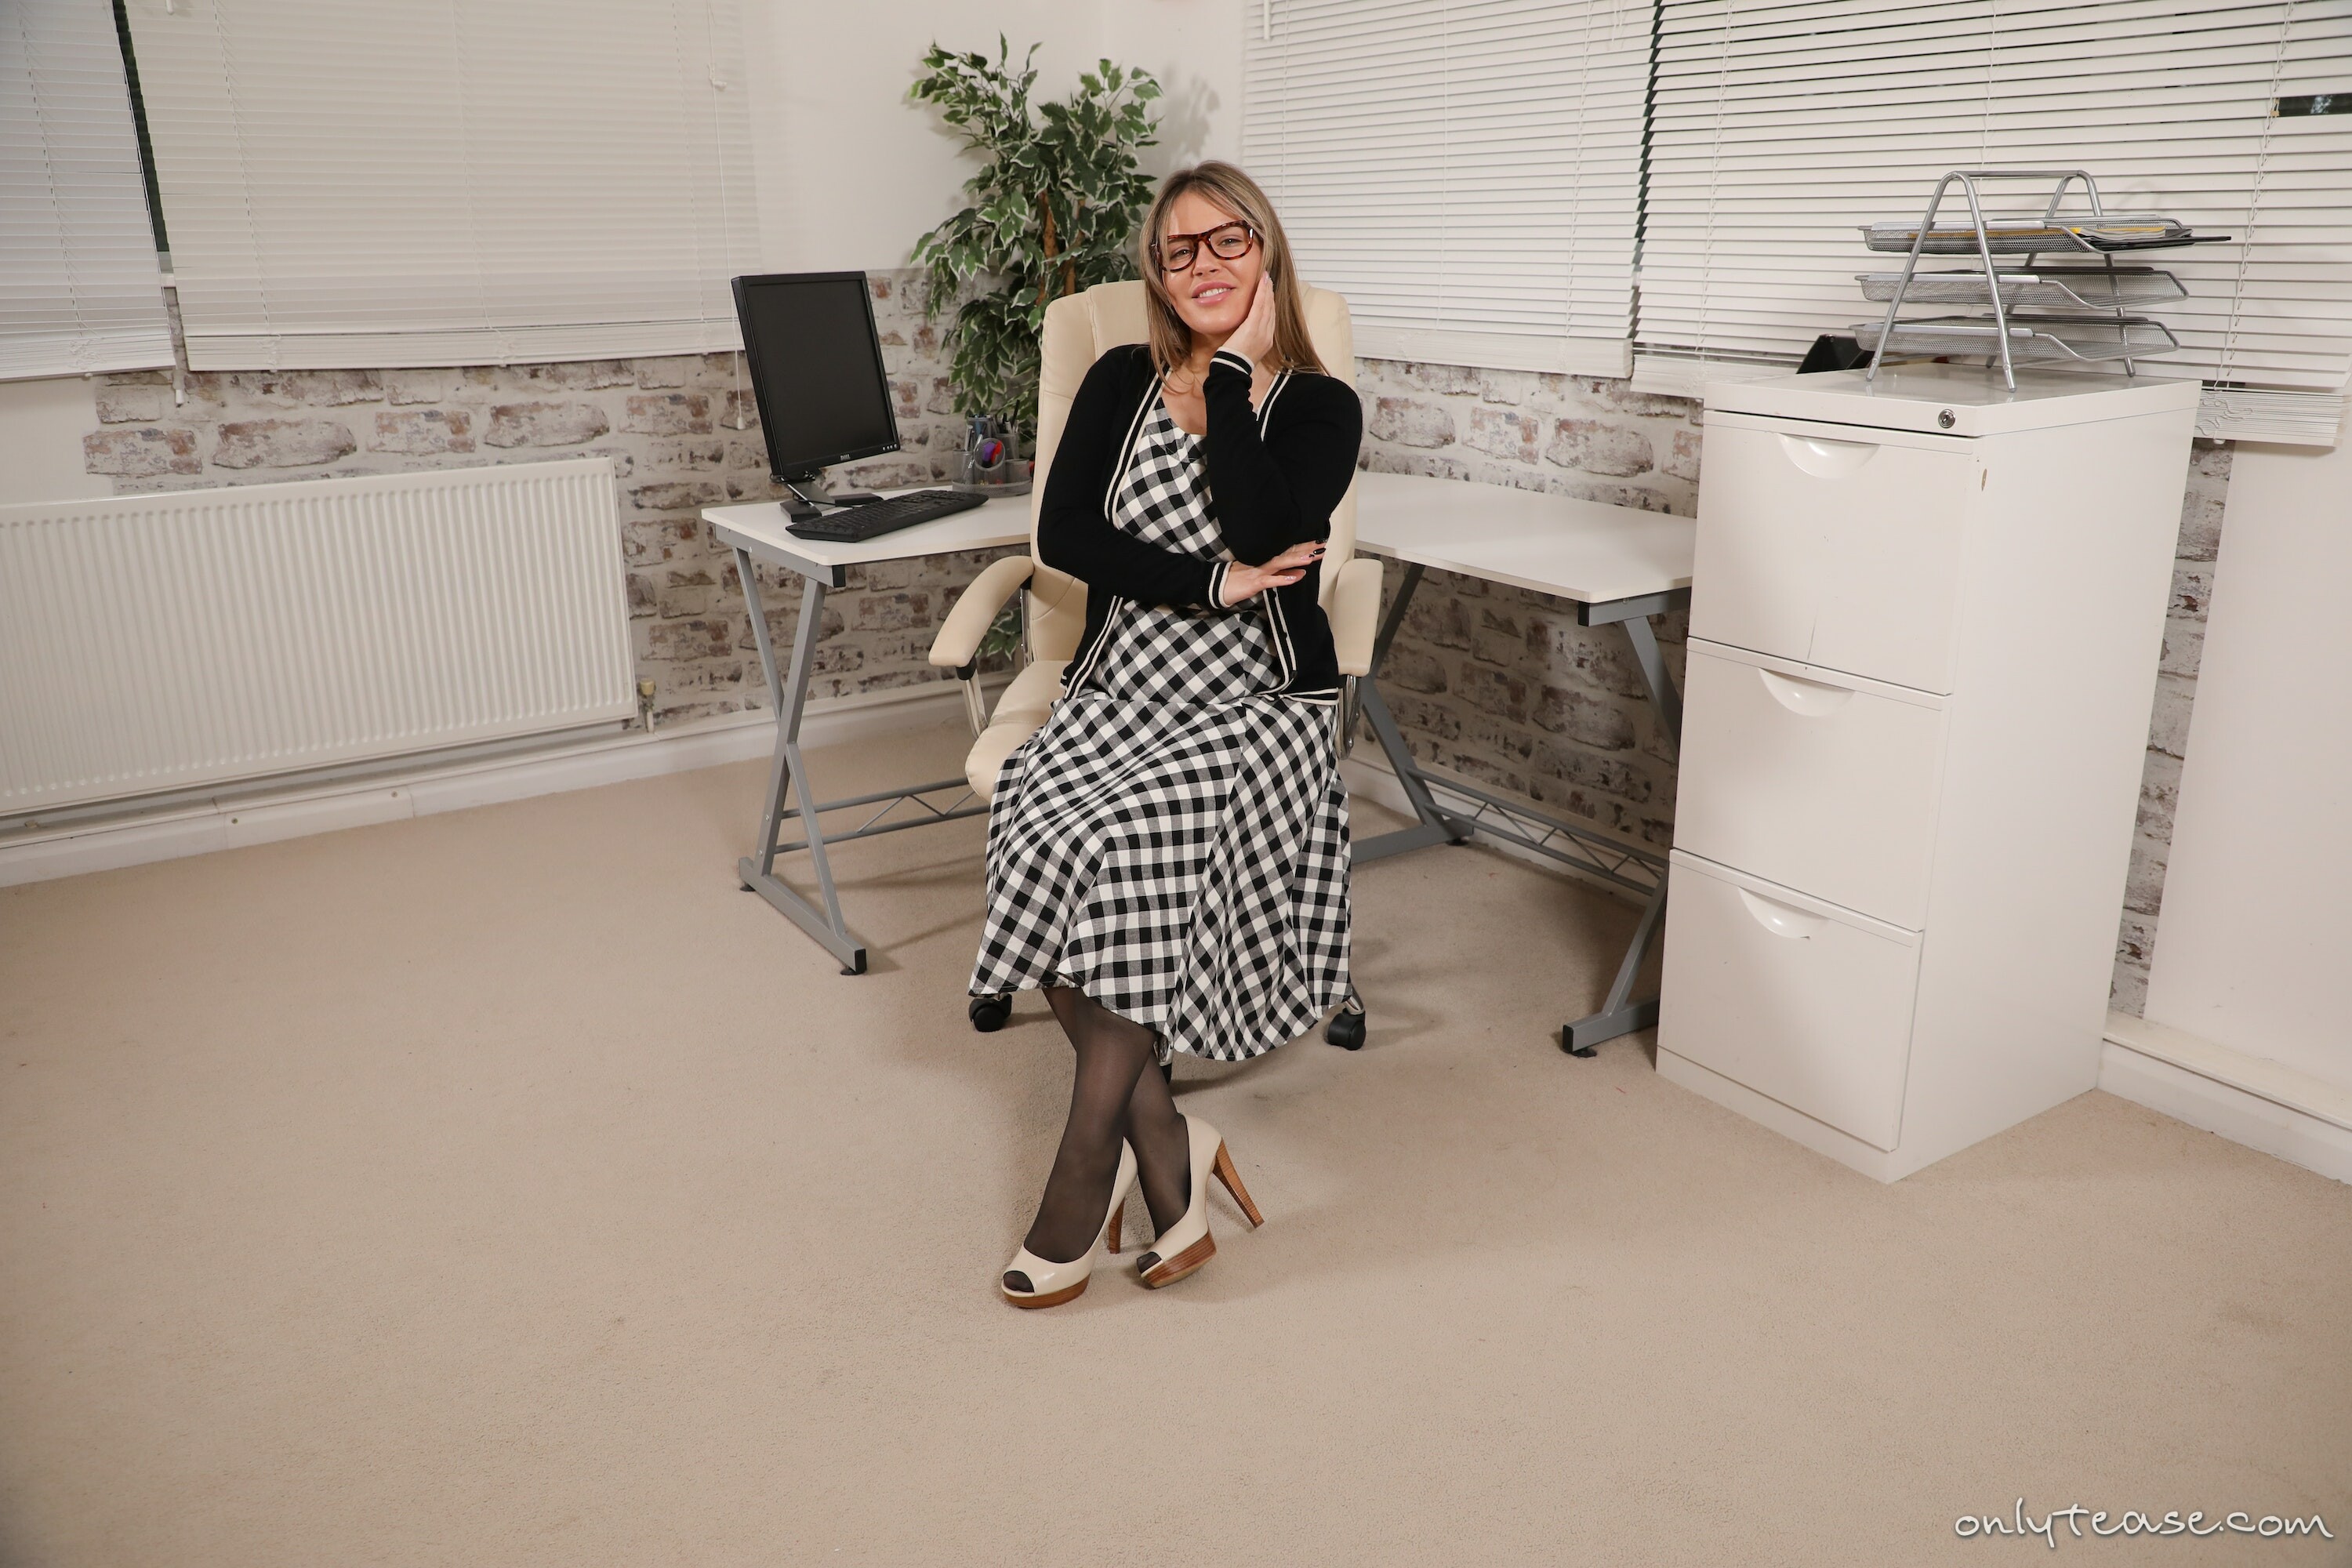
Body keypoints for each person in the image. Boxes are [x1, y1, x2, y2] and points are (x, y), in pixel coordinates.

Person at [971, 162, 1363, 1308]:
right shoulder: (1117, 378)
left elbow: (1265, 522)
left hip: (1253, 705)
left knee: (1130, 844)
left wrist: (1231, 377)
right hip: (1119, 689)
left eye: (1226, 240)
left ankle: (1079, 1179)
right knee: (1038, 828)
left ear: (1266, 249)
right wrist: (1209, 582)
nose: (1203, 266)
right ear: (1158, 271)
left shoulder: (1321, 405)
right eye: (1178, 250)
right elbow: (1065, 536)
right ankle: (1171, 1150)